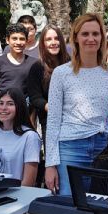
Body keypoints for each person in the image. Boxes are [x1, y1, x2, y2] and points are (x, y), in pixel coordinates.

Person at [45, 14, 108, 195]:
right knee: (69, 204)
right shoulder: (61, 73)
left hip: (102, 148)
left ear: (102, 37)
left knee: (100, 204)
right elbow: (53, 121)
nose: (91, 38)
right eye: (85, 34)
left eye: (96, 33)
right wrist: (50, 164)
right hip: (70, 148)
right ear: (76, 38)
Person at [26, 24, 70, 184]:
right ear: (43, 43)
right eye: (48, 39)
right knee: (53, 163)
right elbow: (34, 97)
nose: (53, 42)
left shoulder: (71, 64)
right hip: (49, 122)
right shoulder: (37, 67)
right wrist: (50, 107)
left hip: (71, 121)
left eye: (56, 38)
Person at [0, 88, 41, 185]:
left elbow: (28, 183)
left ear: (20, 107)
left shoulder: (30, 137)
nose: (3, 108)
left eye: (10, 104)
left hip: (13, 197)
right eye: (0, 103)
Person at [0, 24, 39, 127]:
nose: (18, 42)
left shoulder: (34, 63)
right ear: (7, 40)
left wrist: (32, 125)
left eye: (22, 39)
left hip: (24, 116)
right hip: (2, 114)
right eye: (14, 38)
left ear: (27, 41)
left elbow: (34, 96)